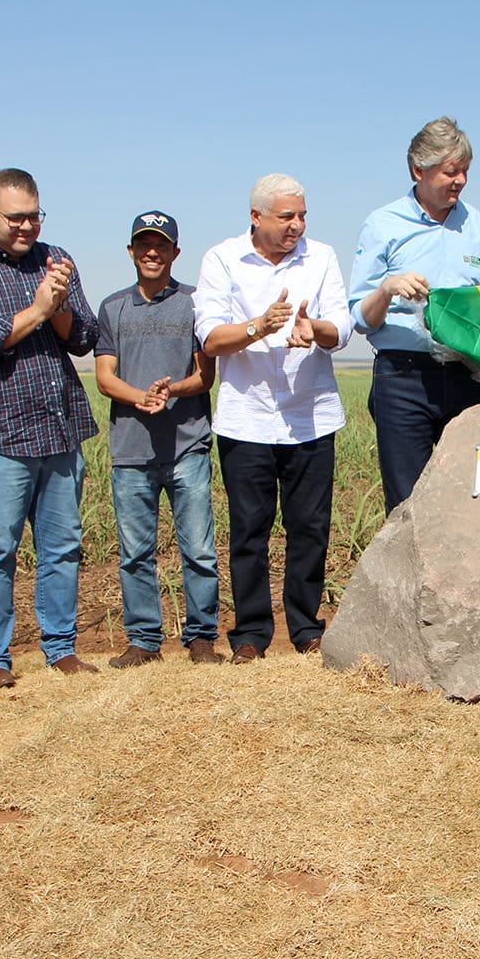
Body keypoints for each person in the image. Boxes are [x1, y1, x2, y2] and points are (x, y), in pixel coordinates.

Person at [0, 168, 100, 686]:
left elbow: (85, 339)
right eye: (16, 217)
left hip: (59, 429)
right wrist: (35, 309)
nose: (28, 226)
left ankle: (61, 647)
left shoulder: (55, 259)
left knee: (62, 547)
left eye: (35, 215)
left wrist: (60, 307)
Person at [195, 174, 353, 663]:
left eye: (303, 215)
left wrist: (314, 328)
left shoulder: (321, 256)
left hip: (311, 415)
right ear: (256, 216)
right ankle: (250, 635)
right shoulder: (222, 259)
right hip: (247, 419)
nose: (297, 225)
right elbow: (210, 338)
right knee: (249, 530)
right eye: (287, 216)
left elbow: (342, 326)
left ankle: (306, 627)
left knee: (310, 527)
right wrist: (256, 326)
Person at [350, 116, 480, 512]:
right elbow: (359, 316)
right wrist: (388, 288)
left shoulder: (477, 226)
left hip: (467, 374)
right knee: (407, 504)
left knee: (476, 497)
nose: (459, 180)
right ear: (417, 170)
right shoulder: (383, 224)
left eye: (465, 172)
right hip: (403, 379)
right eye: (450, 171)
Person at [93, 211, 221, 667]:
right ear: (131, 252)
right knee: (135, 553)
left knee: (199, 548)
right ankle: (144, 639)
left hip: (187, 444)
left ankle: (202, 635)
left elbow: (204, 375)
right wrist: (141, 397)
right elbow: (105, 377)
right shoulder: (112, 308)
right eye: (143, 245)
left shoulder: (196, 302)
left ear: (175, 253)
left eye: (161, 245)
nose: (152, 252)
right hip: (131, 449)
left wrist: (172, 391)